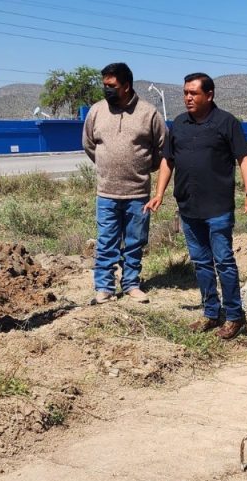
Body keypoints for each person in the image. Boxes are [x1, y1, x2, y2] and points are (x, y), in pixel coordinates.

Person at [148, 72, 247, 340]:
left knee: (223, 262)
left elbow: (243, 158)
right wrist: (159, 193)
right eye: (185, 92)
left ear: (209, 95)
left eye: (193, 93)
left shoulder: (226, 122)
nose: (188, 97)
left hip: (218, 209)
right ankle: (211, 313)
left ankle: (234, 316)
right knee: (201, 263)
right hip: (188, 208)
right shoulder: (179, 124)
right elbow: (168, 161)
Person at [82, 62, 168, 305]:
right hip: (107, 193)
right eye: (104, 85)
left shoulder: (148, 113)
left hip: (138, 194)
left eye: (112, 86)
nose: (106, 90)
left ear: (127, 86)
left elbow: (164, 148)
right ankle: (104, 287)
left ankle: (131, 284)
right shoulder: (96, 111)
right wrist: (106, 164)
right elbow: (89, 145)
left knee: (134, 242)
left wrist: (145, 167)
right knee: (106, 242)